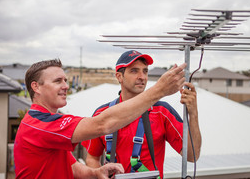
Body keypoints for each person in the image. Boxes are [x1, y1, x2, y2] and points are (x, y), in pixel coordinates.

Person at [14, 58, 186, 179]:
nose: (66, 86)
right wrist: (159, 91)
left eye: (65, 80)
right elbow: (102, 124)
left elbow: (72, 167)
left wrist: (96, 173)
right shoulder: (38, 125)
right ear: (36, 87)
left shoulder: (50, 121)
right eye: (58, 81)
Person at [82, 50, 202, 178]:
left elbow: (192, 155)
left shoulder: (162, 112)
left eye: (145, 71)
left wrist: (193, 113)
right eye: (134, 71)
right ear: (119, 76)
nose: (142, 76)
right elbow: (92, 158)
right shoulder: (102, 114)